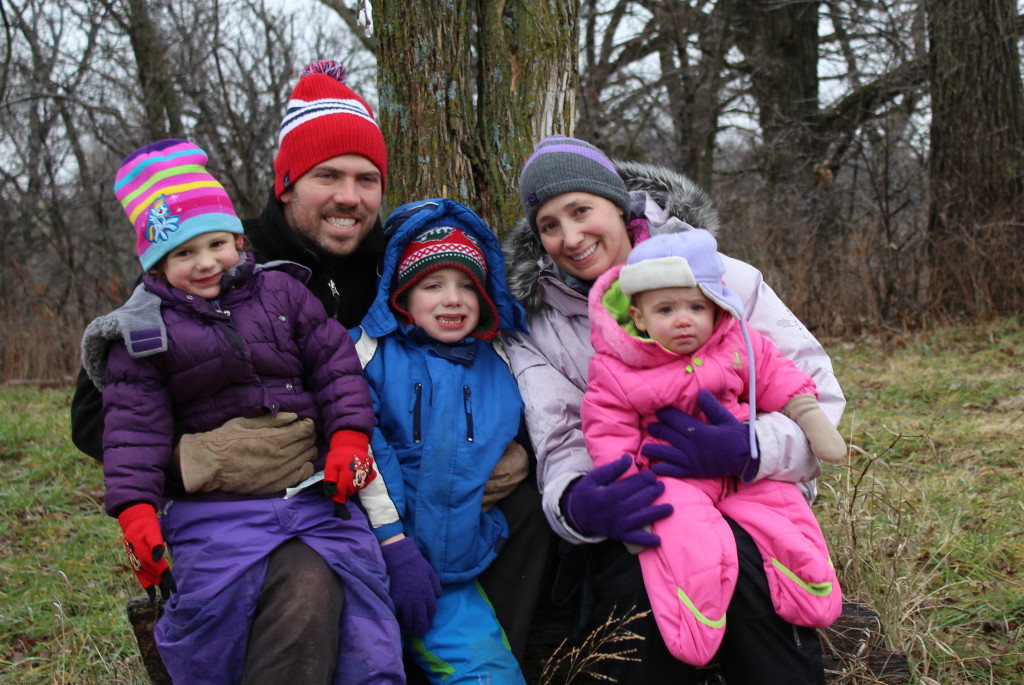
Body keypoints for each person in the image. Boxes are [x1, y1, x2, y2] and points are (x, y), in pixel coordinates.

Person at [70, 60, 549, 680]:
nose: (349, 197)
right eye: (328, 176)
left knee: (530, 517)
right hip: (270, 508)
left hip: (399, 482)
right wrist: (193, 459)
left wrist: (499, 449)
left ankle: (472, 663)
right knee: (309, 580)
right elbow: (100, 412)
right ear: (287, 184)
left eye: (366, 178)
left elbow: (486, 354)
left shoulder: (401, 263)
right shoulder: (215, 260)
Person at [79, 138, 439, 683]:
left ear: (238, 240)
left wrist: (346, 439)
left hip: (317, 495)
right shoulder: (143, 329)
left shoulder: (283, 292)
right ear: (155, 264)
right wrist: (138, 508)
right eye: (182, 253)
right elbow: (131, 428)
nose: (204, 263)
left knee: (365, 615)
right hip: (218, 510)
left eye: (216, 244)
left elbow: (337, 371)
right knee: (222, 610)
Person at [501, 135, 845, 683]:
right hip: (642, 507)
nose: (570, 237)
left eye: (581, 210)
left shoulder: (720, 278)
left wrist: (749, 448)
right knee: (643, 592)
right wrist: (577, 503)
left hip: (752, 492)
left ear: (619, 204)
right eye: (549, 225)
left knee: (752, 583)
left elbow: (814, 393)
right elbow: (560, 436)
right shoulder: (537, 321)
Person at [581, 228, 846, 665]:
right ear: (640, 317)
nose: (684, 319)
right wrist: (625, 494)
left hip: (740, 461)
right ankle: (695, 622)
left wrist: (808, 415)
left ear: (717, 306)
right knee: (689, 539)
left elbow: (776, 374)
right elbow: (609, 430)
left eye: (696, 307)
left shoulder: (736, 342)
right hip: (672, 473)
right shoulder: (619, 368)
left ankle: (812, 590)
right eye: (666, 309)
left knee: (785, 514)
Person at [354, 198, 530, 683]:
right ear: (402, 297)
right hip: (371, 561)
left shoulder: (505, 362)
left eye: (466, 286)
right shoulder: (369, 355)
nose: (452, 299)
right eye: (432, 285)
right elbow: (359, 440)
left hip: (455, 574)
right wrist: (393, 545)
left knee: (488, 673)